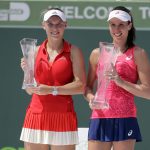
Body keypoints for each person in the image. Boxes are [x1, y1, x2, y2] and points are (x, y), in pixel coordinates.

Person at [84, 6, 150, 150]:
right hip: (99, 116)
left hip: (126, 118)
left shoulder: (138, 53)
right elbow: (87, 88)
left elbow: (147, 92)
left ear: (129, 25)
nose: (117, 29)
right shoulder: (97, 53)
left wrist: (120, 82)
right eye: (113, 24)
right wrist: (91, 98)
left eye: (121, 24)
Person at [20, 8, 86, 150]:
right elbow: (29, 91)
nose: (55, 28)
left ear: (65, 25)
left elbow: (81, 86)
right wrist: (27, 72)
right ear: (43, 25)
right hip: (36, 115)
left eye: (59, 24)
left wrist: (51, 90)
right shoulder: (34, 51)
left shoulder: (74, 51)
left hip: (63, 117)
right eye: (50, 24)